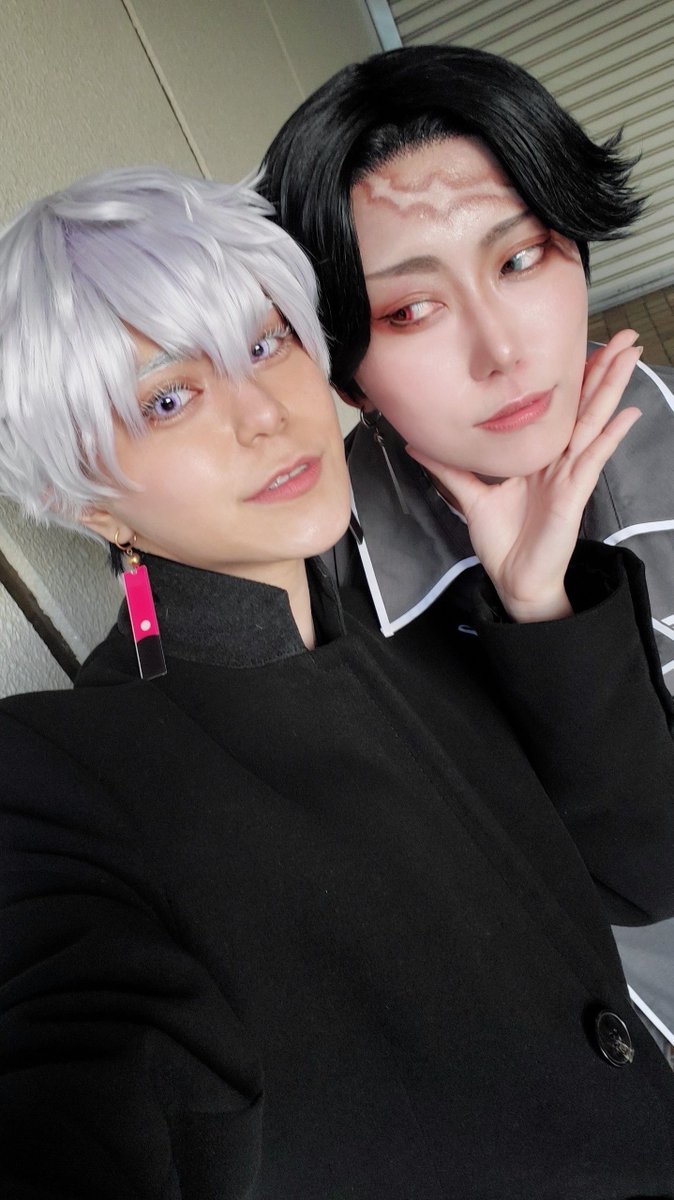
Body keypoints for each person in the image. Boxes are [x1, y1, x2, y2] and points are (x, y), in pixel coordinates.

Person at [1, 166, 674, 1200]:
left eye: (265, 344)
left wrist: (537, 599)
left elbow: (641, 872)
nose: (264, 415)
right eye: (169, 398)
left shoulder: (425, 635)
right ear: (86, 501)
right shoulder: (59, 775)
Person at [260, 41, 674, 1056]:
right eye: (412, 310)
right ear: (344, 369)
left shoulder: (655, 418)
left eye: (520, 257)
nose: (503, 351)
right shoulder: (323, 584)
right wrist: (545, 613)